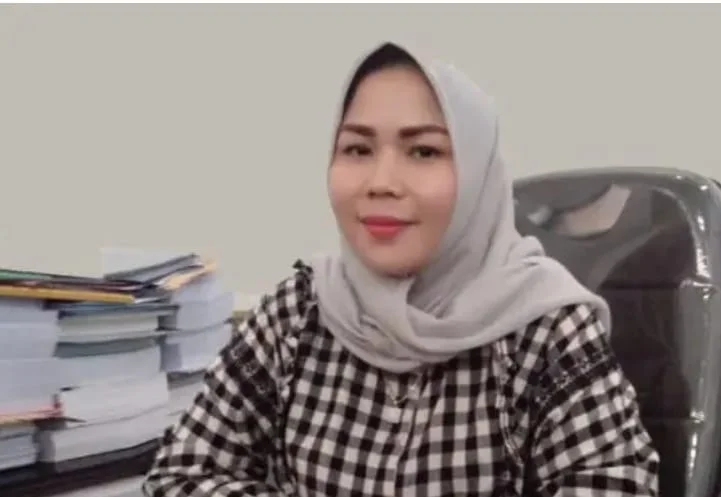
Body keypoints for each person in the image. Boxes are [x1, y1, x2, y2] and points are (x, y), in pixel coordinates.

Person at [142, 41, 659, 496]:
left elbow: (616, 485)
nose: (381, 181)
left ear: (477, 175)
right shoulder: (297, 313)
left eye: (424, 151)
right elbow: (183, 472)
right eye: (357, 149)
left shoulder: (548, 330)